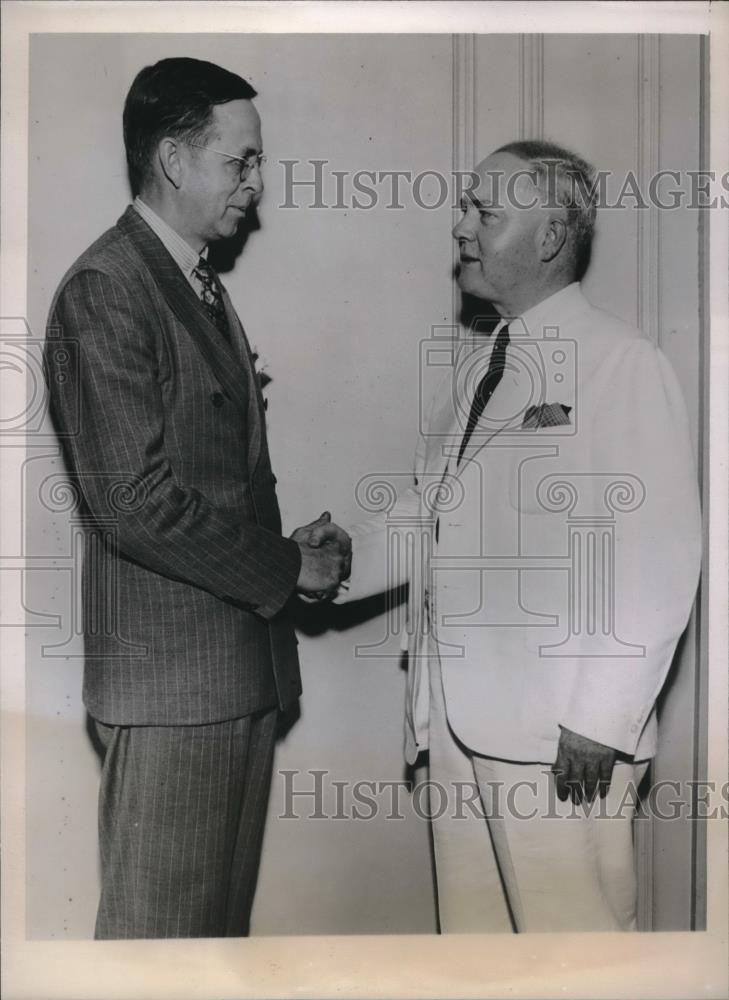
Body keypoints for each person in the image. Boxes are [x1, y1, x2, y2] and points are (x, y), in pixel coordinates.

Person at [330, 140, 702, 932]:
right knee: (477, 961)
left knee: (581, 965)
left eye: (483, 212)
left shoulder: (621, 363)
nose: (460, 226)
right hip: (456, 722)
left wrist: (599, 721)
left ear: (548, 237)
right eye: (466, 206)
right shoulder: (478, 369)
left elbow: (660, 556)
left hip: (557, 739)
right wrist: (331, 562)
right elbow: (431, 514)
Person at [43, 57, 350, 939]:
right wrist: (289, 565)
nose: (257, 184)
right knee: (157, 953)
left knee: (207, 951)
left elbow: (203, 476)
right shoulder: (110, 288)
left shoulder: (192, 282)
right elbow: (133, 501)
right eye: (241, 160)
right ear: (175, 159)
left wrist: (286, 544)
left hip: (229, 679)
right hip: (176, 689)